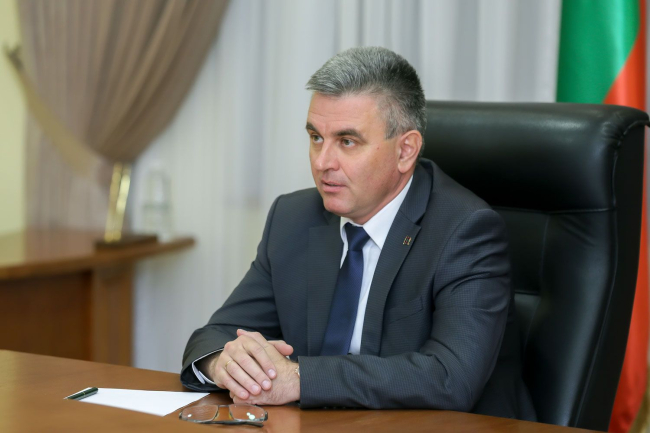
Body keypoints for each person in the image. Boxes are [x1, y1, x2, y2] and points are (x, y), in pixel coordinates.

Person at [181, 46, 536, 420]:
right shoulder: (292, 218)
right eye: (316, 137)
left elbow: (451, 378)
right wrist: (226, 363)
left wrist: (300, 379)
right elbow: (215, 335)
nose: (322, 162)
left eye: (347, 142)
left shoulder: (466, 231)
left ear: (406, 150)